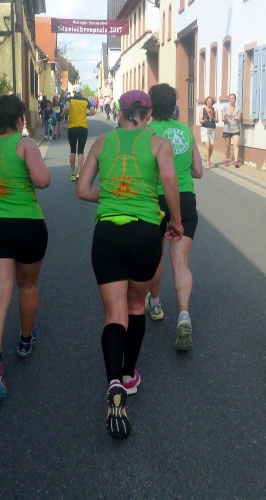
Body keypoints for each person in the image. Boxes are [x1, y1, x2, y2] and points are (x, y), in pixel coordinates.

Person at [76, 90, 184, 440]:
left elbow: (82, 190)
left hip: (107, 232)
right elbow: (169, 179)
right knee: (137, 306)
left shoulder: (101, 143)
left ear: (119, 113)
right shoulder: (159, 143)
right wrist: (176, 220)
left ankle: (112, 384)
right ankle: (127, 375)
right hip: (145, 233)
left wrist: (112, 196)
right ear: (149, 114)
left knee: (113, 313)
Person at [0, 95, 52, 402]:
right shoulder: (25, 144)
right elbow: (43, 180)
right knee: (27, 285)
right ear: (20, 119)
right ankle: (25, 341)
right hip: (27, 224)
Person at [144, 84, 203, 351]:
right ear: (174, 106)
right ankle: (184, 315)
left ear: (151, 106)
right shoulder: (186, 131)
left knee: (155, 256)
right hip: (185, 197)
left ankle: (155, 303)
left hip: (155, 198)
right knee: (181, 262)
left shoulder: (148, 132)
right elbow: (198, 171)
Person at [66, 84, 96, 181]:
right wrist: (85, 114)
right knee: (81, 151)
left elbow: (67, 108)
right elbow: (93, 111)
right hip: (83, 127)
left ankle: (72, 173)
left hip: (72, 127)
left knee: (72, 150)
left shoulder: (70, 99)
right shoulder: (85, 100)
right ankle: (79, 172)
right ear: (80, 92)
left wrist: (66, 114)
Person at [221, 94, 242, 167]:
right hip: (227, 129)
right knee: (228, 145)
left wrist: (238, 119)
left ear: (235, 99)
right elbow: (222, 119)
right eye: (230, 98)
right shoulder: (225, 108)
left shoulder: (238, 108)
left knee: (236, 145)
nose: (231, 99)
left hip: (236, 128)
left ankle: (236, 161)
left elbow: (239, 120)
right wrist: (225, 118)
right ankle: (227, 159)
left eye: (233, 98)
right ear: (228, 99)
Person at [199, 96, 217, 169]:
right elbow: (200, 121)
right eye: (208, 101)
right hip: (205, 128)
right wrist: (204, 120)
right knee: (207, 146)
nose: (209, 102)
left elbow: (217, 120)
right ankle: (208, 163)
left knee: (211, 147)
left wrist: (213, 118)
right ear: (206, 102)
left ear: (212, 102)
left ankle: (207, 159)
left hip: (212, 129)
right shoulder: (202, 109)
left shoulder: (215, 109)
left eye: (210, 101)